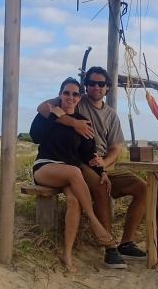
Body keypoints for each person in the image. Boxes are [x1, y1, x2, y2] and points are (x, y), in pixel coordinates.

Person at [37, 66, 147, 269]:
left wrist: (105, 163)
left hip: (103, 162)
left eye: (101, 84)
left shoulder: (111, 115)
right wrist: (73, 123)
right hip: (80, 161)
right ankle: (109, 249)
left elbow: (115, 147)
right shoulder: (77, 100)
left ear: (107, 88)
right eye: (92, 83)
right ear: (86, 87)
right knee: (100, 186)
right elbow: (43, 108)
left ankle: (126, 242)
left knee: (143, 188)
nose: (96, 87)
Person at [30, 77, 121, 272]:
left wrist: (101, 171)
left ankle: (67, 255)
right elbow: (35, 136)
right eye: (66, 93)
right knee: (74, 171)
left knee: (74, 201)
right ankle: (95, 223)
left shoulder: (82, 122)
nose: (70, 97)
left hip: (69, 173)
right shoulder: (48, 113)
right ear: (60, 94)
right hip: (46, 167)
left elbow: (88, 154)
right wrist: (56, 117)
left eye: (75, 94)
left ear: (80, 98)